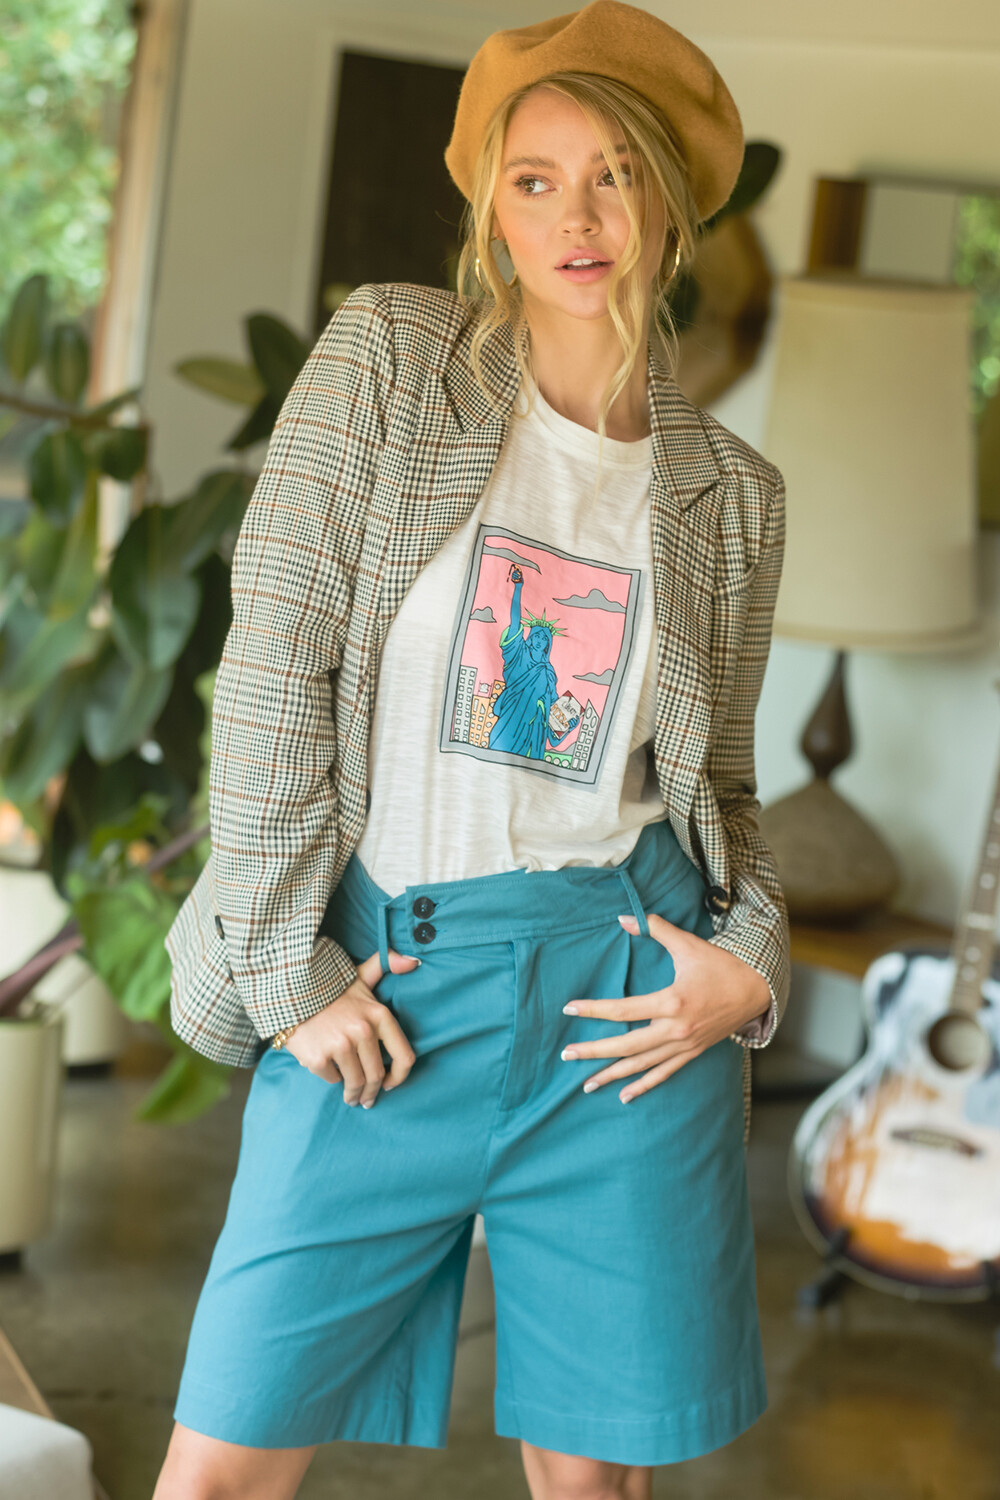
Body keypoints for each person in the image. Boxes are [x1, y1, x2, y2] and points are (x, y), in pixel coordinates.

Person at [154, 3, 791, 1497]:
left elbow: (720, 789)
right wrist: (287, 967)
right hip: (385, 985)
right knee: (220, 1466)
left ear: (669, 210)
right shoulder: (390, 359)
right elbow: (274, 664)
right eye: (535, 179)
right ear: (492, 211)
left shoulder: (734, 494)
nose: (577, 217)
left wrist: (750, 963)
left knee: (595, 1482)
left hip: (623, 1010)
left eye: (615, 176)